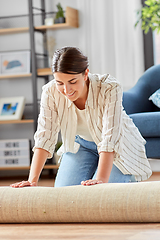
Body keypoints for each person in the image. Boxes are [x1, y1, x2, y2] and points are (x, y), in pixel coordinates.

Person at [10, 46, 152, 188]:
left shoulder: (109, 87)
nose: (67, 90)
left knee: (102, 194)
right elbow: (44, 136)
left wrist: (101, 179)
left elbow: (110, 138)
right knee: (64, 194)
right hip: (82, 145)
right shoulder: (50, 92)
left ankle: (128, 178)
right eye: (60, 83)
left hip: (118, 145)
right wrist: (32, 180)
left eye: (72, 82)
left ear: (85, 74)